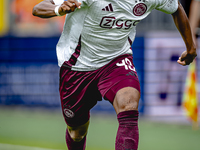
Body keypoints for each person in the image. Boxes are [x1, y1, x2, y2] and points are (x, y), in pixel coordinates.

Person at [32, 0, 197, 149]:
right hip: (77, 66)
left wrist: (190, 47)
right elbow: (38, 8)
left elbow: (176, 8)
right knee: (77, 132)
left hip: (116, 59)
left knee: (129, 102)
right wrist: (58, 9)